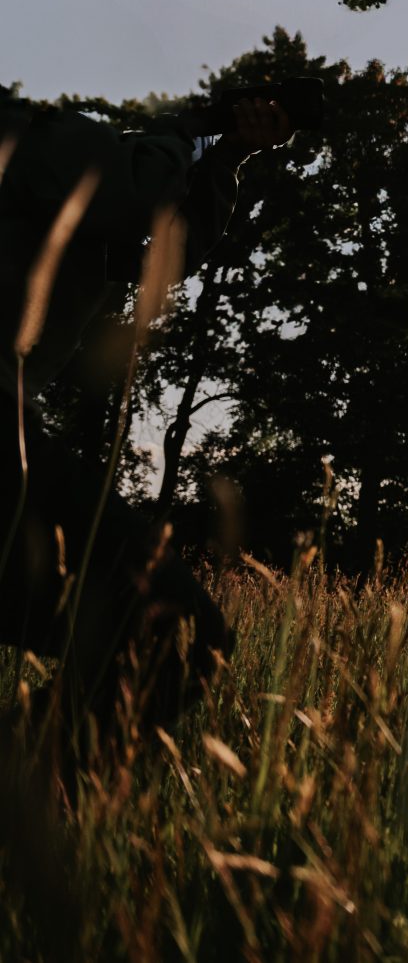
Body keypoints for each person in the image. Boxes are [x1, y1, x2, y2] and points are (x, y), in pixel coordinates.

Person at [1, 89, 295, 748]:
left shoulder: (51, 180)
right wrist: (188, 125)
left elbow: (167, 248)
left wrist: (228, 153)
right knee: (177, 628)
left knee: (168, 631)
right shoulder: (26, 133)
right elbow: (136, 186)